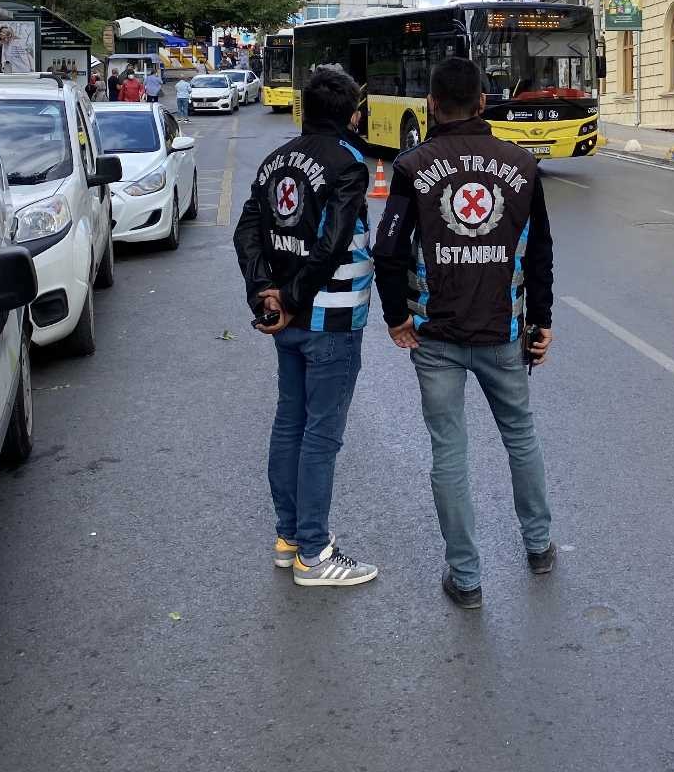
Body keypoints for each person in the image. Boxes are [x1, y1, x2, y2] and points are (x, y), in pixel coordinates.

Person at [374, 56, 555, 611]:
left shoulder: (411, 166)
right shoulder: (522, 165)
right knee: (520, 438)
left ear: (431, 104)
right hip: (502, 333)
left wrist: (396, 317)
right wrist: (540, 321)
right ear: (483, 102)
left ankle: (467, 579)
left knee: (449, 452)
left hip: (437, 338)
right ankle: (540, 547)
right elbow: (541, 251)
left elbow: (387, 248)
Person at [233, 67, 378, 588]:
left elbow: (247, 227)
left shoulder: (277, 160)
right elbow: (334, 241)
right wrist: (293, 299)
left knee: (289, 424)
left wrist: (264, 292)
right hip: (330, 318)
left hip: (287, 319)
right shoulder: (349, 162)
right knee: (321, 435)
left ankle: (289, 536)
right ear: (352, 113)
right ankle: (314, 554)